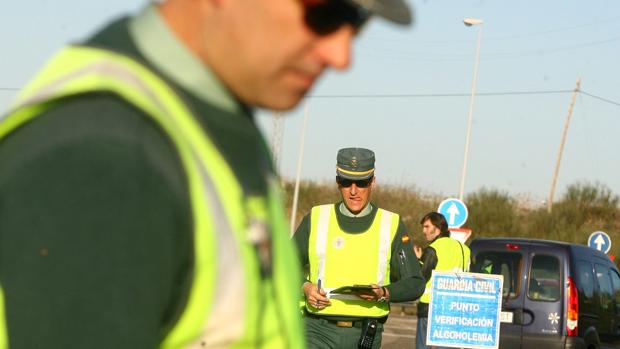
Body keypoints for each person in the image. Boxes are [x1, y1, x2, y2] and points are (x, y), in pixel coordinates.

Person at [0, 0, 413, 347]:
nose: (341, 56)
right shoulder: (107, 161)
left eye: (355, 26)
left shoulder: (212, 129)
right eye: (322, 15)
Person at [293, 147, 425, 349]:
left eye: (361, 183)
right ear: (338, 182)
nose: (353, 191)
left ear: (372, 182)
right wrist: (305, 287)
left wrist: (383, 292)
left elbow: (415, 283)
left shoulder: (391, 224)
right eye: (346, 182)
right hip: (317, 332)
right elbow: (282, 266)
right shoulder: (316, 218)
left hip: (366, 335)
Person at [414, 212, 471, 349]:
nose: (423, 231)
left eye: (427, 227)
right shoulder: (465, 249)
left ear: (438, 228)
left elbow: (420, 278)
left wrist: (417, 260)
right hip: (454, 309)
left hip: (430, 308)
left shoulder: (433, 249)